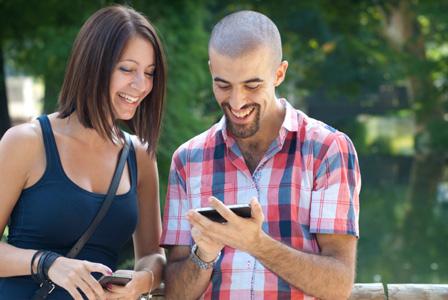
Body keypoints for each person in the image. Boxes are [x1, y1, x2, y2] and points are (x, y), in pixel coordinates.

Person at [161, 10, 361, 300]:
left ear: (279, 73)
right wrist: (204, 253)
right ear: (211, 71)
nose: (237, 101)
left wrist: (256, 244)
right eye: (223, 85)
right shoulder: (187, 160)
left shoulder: (328, 150)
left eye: (252, 85)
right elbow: (176, 295)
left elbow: (338, 285)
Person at [0, 5, 166, 299]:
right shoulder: (26, 143)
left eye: (149, 73)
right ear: (94, 64)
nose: (141, 85)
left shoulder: (139, 155)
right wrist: (47, 263)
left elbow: (152, 255)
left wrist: (143, 281)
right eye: (127, 69)